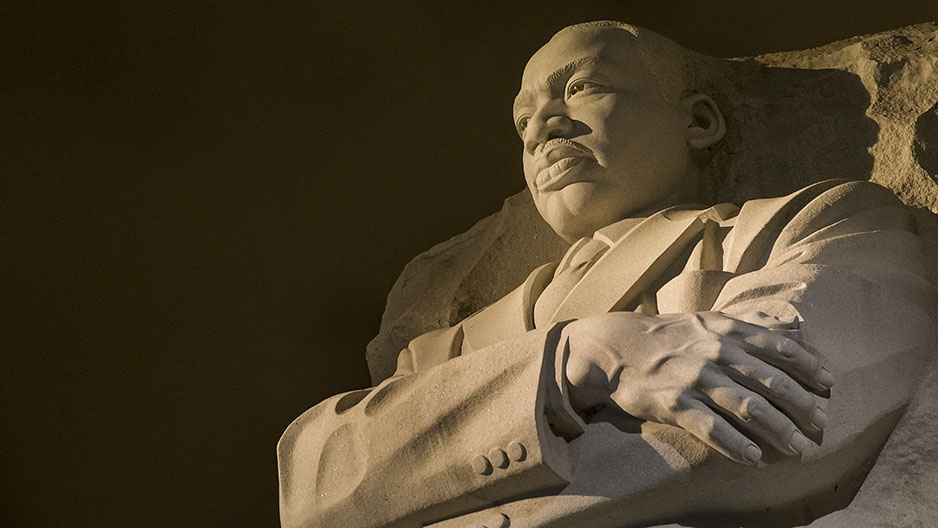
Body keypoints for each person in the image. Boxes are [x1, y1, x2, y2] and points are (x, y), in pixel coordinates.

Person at [278, 22, 937, 528]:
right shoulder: (442, 348)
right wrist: (577, 355)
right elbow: (316, 482)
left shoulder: (811, 223)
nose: (543, 127)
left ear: (700, 121)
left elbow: (788, 420)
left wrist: (443, 492)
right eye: (523, 120)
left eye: (581, 87)